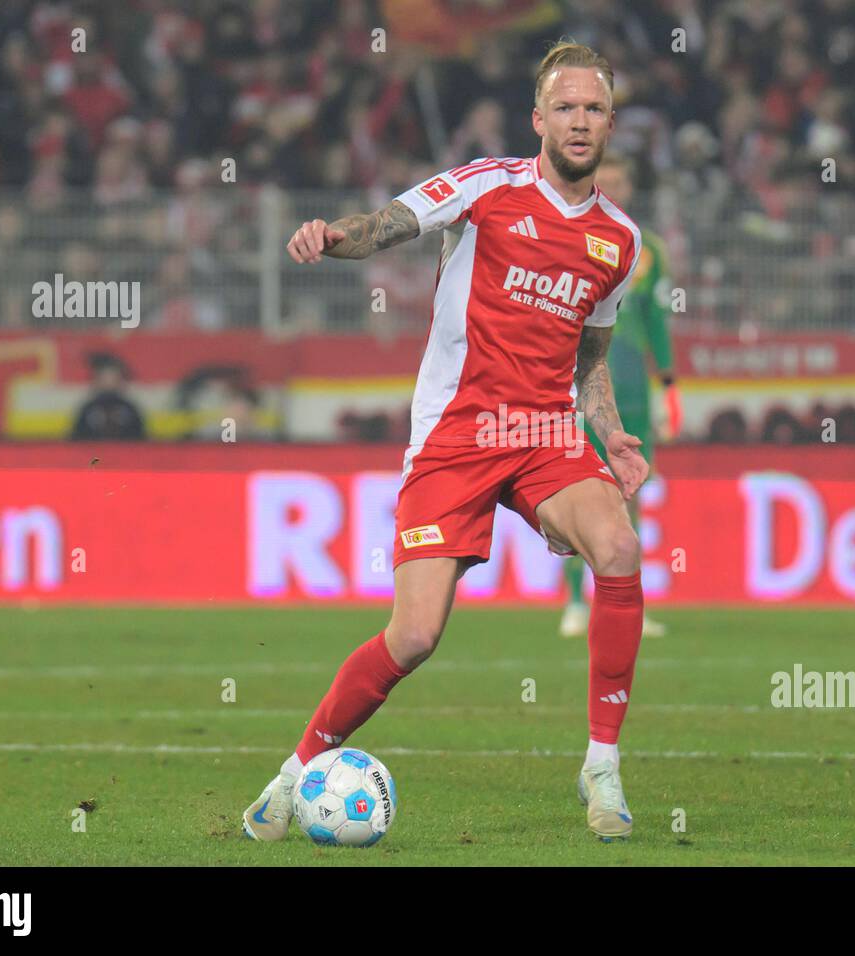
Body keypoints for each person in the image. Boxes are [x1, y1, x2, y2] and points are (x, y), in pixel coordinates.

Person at [243, 41, 648, 843]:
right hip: (455, 436)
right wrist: (332, 238)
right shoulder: (486, 185)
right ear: (539, 119)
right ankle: (294, 775)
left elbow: (589, 362)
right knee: (416, 635)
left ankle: (602, 767)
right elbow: (387, 225)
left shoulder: (619, 242)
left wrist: (614, 435)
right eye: (564, 107)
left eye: (593, 108)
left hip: (540, 432)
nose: (578, 121)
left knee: (621, 549)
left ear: (610, 122)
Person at [559, 153, 680, 640]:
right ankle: (573, 600)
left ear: (629, 186)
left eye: (618, 179)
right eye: (602, 177)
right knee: (573, 492)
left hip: (631, 385)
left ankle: (629, 605)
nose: (611, 185)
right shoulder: (565, 236)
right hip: (581, 380)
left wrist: (669, 385)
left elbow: (656, 321)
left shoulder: (647, 249)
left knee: (631, 494)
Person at [70, 352, 145, 441]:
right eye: (104, 378)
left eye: (113, 377)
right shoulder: (88, 409)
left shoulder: (130, 409)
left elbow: (140, 441)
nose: (108, 382)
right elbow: (76, 440)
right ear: (96, 380)